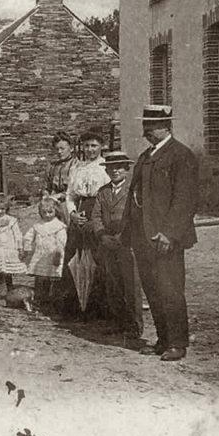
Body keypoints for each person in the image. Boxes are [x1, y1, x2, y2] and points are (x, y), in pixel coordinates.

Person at [124, 105, 199, 362]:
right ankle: (163, 340)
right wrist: (128, 233)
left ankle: (178, 343)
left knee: (170, 290)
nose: (146, 130)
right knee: (153, 290)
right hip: (143, 238)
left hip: (165, 238)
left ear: (167, 126)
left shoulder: (181, 155)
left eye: (152, 125)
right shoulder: (146, 156)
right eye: (145, 125)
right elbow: (133, 198)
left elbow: (184, 201)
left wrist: (169, 234)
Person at [88, 150, 144, 350]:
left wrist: (123, 236)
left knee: (131, 285)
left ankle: (135, 326)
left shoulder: (134, 190)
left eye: (120, 167)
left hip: (127, 244)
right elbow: (95, 216)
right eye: (111, 167)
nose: (115, 171)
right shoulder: (103, 192)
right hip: (107, 243)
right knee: (113, 284)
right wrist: (102, 235)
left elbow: (137, 216)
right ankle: (118, 323)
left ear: (127, 169)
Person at [59, 130, 110, 318]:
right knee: (74, 257)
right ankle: (75, 306)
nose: (90, 150)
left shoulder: (106, 167)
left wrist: (96, 216)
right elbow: (70, 195)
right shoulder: (77, 168)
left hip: (98, 211)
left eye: (94, 146)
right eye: (87, 146)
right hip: (79, 211)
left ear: (101, 147)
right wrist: (72, 213)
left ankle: (98, 308)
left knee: (96, 258)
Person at [22, 196, 67, 310]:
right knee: (40, 279)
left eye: (50, 212)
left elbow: (61, 242)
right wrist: (27, 248)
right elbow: (28, 236)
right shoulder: (37, 225)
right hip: (40, 257)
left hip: (53, 256)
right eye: (44, 212)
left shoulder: (59, 226)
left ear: (55, 211)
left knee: (53, 279)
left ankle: (52, 303)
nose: (47, 215)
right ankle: (39, 301)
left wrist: (58, 254)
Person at [44, 131, 76, 203]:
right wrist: (46, 195)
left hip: (71, 204)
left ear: (71, 148)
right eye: (57, 149)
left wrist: (59, 196)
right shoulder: (52, 167)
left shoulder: (77, 166)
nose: (59, 152)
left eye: (62, 149)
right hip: (53, 203)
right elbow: (46, 187)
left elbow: (76, 191)